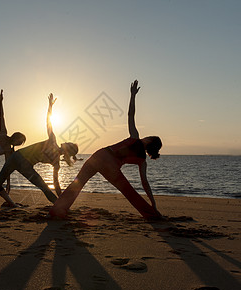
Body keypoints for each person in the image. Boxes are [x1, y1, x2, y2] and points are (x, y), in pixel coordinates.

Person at [49, 80, 163, 220]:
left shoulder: (136, 137)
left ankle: (58, 210)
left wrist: (133, 95)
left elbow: (130, 114)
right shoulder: (142, 160)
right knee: (129, 192)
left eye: (149, 136)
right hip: (111, 166)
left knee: (78, 183)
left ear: (149, 140)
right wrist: (153, 204)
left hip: (100, 155)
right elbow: (145, 183)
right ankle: (151, 214)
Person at [0, 93, 79, 209]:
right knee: (43, 188)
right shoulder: (55, 157)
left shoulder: (53, 143)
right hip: (22, 162)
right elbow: (56, 184)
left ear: (68, 149)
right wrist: (50, 106)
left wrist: (50, 106)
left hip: (19, 159)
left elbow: (48, 122)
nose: (67, 141)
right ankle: (61, 206)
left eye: (69, 143)